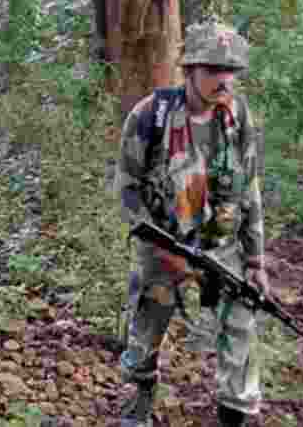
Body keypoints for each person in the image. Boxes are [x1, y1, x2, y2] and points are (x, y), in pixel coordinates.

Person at [113, 22, 266, 427]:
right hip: (164, 242)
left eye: (231, 71)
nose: (224, 79)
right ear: (190, 70)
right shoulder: (152, 114)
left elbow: (250, 189)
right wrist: (163, 250)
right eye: (214, 69)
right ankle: (138, 404)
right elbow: (128, 189)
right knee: (145, 332)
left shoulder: (237, 118)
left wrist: (256, 260)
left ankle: (235, 414)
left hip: (221, 244)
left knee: (241, 326)